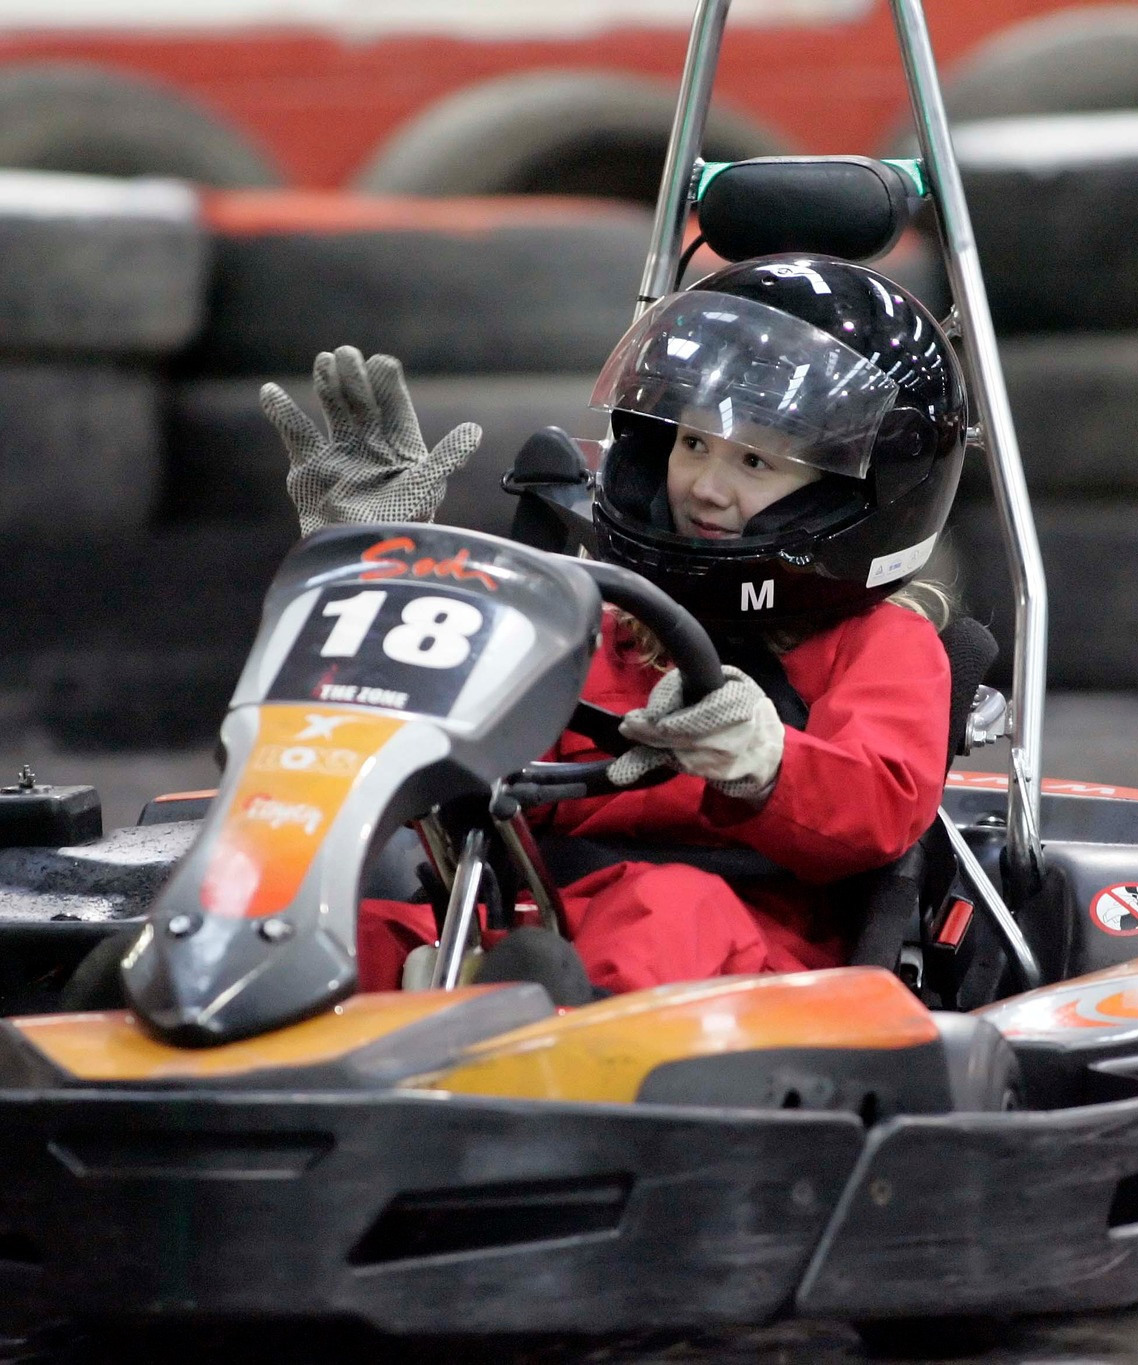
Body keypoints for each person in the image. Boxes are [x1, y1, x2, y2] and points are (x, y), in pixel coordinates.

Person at [260, 255, 970, 998]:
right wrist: (382, 581)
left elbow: (881, 808)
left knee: (662, 911)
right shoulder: (598, 619)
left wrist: (766, 759)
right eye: (692, 443)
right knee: (310, 932)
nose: (706, 487)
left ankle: (505, 1007)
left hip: (745, 947)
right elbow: (440, 769)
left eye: (755, 460)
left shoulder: (883, 643)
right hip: (528, 915)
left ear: (847, 494)